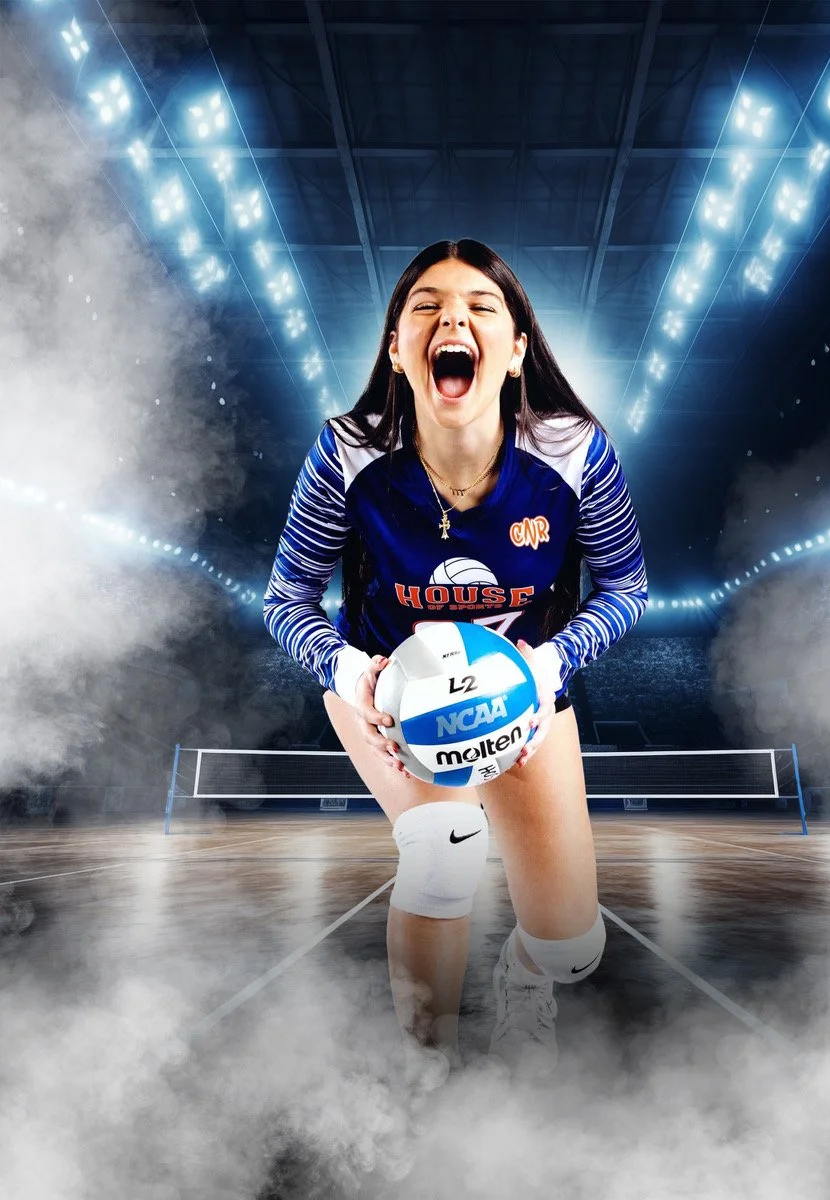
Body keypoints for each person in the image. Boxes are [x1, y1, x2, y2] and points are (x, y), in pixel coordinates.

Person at [264, 239, 648, 1080]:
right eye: (426, 305)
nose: (453, 318)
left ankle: (525, 976)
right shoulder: (347, 453)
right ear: (399, 351)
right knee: (444, 847)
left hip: (525, 690)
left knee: (573, 943)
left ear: (514, 352)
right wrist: (349, 671)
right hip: (388, 686)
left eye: (481, 305)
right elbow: (286, 598)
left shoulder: (575, 452)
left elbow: (628, 586)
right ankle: (423, 1074)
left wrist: (551, 665)